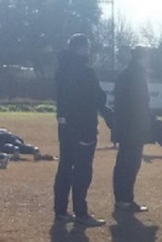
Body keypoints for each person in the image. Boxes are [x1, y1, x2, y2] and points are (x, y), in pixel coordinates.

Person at [52, 34, 108, 227]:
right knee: (83, 169)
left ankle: (60, 210)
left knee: (65, 166)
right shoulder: (85, 71)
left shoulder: (62, 70)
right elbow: (99, 98)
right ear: (82, 48)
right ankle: (81, 212)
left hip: (65, 126)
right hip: (84, 126)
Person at [113, 46, 151, 212]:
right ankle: (126, 198)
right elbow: (140, 104)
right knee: (131, 163)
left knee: (123, 163)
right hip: (133, 127)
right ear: (143, 58)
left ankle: (122, 198)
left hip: (124, 126)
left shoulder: (125, 73)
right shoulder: (137, 75)